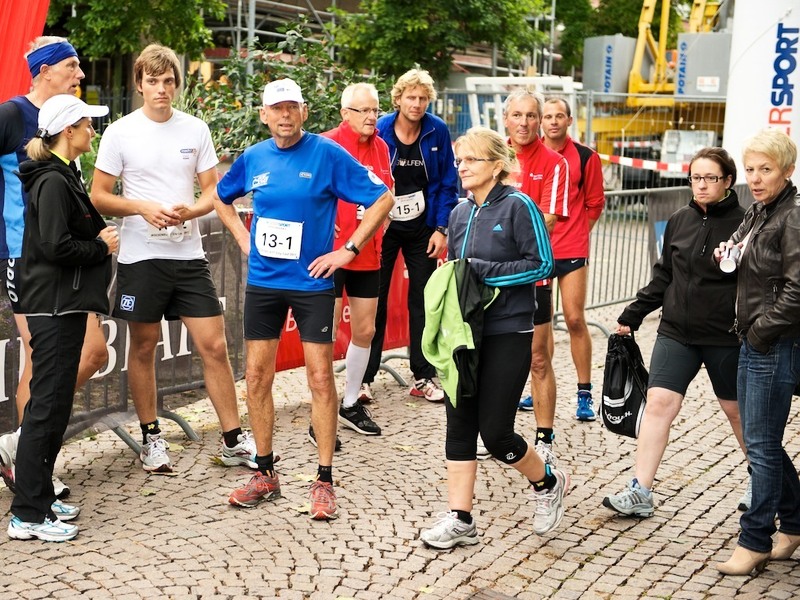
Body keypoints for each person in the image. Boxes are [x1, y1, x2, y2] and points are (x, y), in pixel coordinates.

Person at [206, 78, 393, 519]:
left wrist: (347, 249)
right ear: (264, 115)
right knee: (255, 376)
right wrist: (243, 238)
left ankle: (324, 480)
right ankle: (265, 473)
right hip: (265, 283)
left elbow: (383, 198)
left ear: (304, 112)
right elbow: (220, 196)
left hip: (311, 283)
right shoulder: (254, 157)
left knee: (321, 379)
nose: (285, 115)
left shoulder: (327, 154)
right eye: (277, 108)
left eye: (292, 107)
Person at [91, 44, 256, 473]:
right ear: (139, 84)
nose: (161, 89)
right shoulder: (119, 132)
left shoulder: (195, 129)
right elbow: (99, 195)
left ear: (177, 84)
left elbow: (211, 192)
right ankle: (151, 438)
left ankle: (233, 441)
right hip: (140, 257)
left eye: (168, 81)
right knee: (143, 347)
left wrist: (190, 211)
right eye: (153, 81)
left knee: (215, 346)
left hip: (189, 254)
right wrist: (143, 207)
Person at [419, 126, 569, 550]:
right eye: (459, 160)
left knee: (496, 433)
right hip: (465, 333)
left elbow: (541, 265)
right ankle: (461, 519)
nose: (461, 167)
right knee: (459, 423)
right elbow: (457, 272)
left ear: (497, 166)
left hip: (508, 329)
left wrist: (482, 272)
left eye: (470, 160)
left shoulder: (519, 205)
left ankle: (547, 482)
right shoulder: (459, 213)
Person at [601, 147, 748, 519]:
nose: (701, 185)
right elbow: (664, 275)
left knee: (737, 411)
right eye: (695, 178)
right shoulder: (680, 219)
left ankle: (761, 480)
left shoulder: (746, 224)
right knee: (659, 405)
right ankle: (640, 491)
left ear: (728, 181)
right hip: (676, 332)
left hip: (723, 336)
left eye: (710, 178)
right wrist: (632, 315)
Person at [0, 36, 108, 499]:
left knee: (92, 354)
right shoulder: (11, 114)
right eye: (72, 66)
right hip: (24, 255)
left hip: (64, 258)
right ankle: (33, 474)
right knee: (43, 360)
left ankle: (20, 450)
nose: (81, 75)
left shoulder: (65, 125)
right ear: (44, 71)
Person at [714, 130, 800, 576]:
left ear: (787, 170)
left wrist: (763, 332)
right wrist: (727, 254)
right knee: (762, 441)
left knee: (762, 446)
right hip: (753, 338)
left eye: (766, 169)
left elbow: (797, 289)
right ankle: (796, 523)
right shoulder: (760, 212)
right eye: (750, 169)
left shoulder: (792, 216)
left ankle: (755, 539)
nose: (755, 177)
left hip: (773, 342)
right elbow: (751, 269)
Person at [361, 68, 458, 403]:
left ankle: (423, 374)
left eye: (422, 98)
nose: (416, 104)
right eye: (410, 97)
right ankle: (364, 378)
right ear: (398, 98)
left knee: (423, 300)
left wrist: (441, 228)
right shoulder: (381, 128)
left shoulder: (437, 130)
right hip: (383, 226)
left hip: (422, 226)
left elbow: (447, 182)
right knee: (376, 300)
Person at [317, 82, 394, 440]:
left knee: (365, 330)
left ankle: (349, 403)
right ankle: (320, 415)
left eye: (375, 110)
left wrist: (380, 226)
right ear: (344, 113)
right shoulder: (325, 143)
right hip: (330, 253)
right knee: (324, 334)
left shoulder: (381, 146)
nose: (371, 117)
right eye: (363, 110)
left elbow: (385, 196)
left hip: (367, 251)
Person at [503, 90, 568, 467]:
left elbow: (549, 219)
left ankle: (544, 438)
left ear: (540, 120)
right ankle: (500, 431)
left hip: (532, 279)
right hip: (494, 279)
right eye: (518, 115)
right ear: (506, 118)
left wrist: (505, 242)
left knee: (538, 359)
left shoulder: (554, 163)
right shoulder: (496, 156)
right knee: (496, 358)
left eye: (532, 116)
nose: (525, 123)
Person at [540, 97, 605, 422]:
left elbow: (595, 202)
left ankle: (584, 393)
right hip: (537, 250)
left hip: (572, 249)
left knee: (575, 318)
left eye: (559, 116)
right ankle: (540, 384)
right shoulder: (531, 152)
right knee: (541, 323)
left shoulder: (585, 155)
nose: (553, 121)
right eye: (548, 116)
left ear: (568, 120)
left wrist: (579, 231)